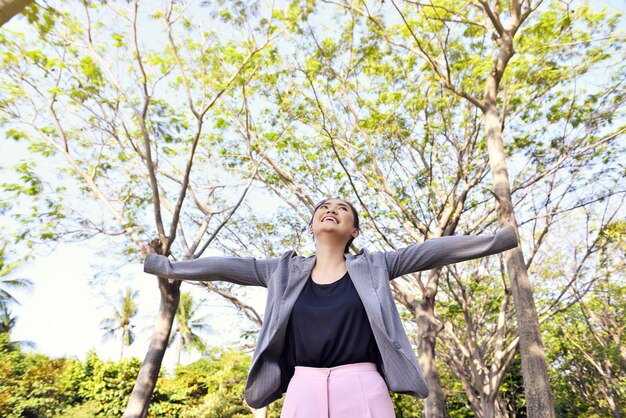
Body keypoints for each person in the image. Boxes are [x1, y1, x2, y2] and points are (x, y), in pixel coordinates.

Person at [142, 198, 518, 417]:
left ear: (354, 231)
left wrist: (501, 239)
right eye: (324, 207)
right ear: (310, 227)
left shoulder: (375, 265)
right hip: (302, 387)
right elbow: (224, 267)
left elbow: (432, 250)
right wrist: (164, 266)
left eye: (342, 209)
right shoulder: (281, 271)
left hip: (363, 386)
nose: (331, 210)